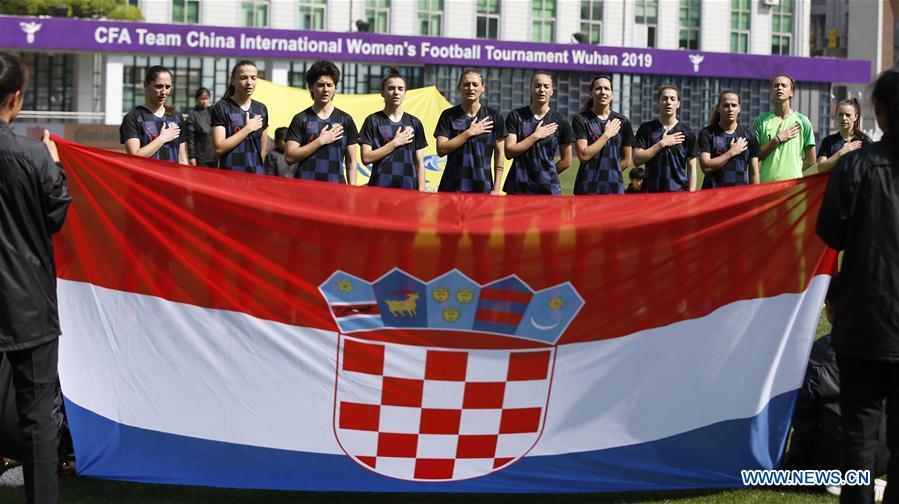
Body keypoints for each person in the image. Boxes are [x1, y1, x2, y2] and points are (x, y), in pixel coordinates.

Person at [817, 68, 899, 504]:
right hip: (868, 323)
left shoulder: (856, 167)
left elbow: (830, 233)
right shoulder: (858, 165)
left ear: (879, 113)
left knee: (858, 442)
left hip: (863, 322)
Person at [0, 51, 72, 504]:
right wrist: (55, 163)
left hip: (25, 305)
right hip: (28, 305)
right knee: (38, 418)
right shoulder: (33, 156)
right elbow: (57, 214)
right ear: (17, 98)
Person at [284, 60, 358, 184]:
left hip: (336, 190)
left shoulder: (345, 120)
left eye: (330, 85)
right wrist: (320, 141)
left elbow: (351, 162)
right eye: (320, 85)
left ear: (335, 88)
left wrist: (352, 192)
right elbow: (290, 157)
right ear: (311, 87)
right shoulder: (300, 118)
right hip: (305, 190)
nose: (325, 89)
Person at [434, 67, 506, 194]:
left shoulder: (494, 117)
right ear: (459, 87)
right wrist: (469, 133)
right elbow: (441, 149)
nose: (471, 88)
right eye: (466, 84)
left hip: (483, 187)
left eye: (475, 84)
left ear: (483, 87)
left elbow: (500, 154)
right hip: (452, 186)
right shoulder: (448, 115)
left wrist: (496, 188)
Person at [503, 71, 575, 195]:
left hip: (547, 189)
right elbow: (509, 152)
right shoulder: (516, 116)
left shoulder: (560, 120)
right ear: (530, 89)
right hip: (518, 187)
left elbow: (567, 161)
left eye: (546, 86)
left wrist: (546, 175)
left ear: (552, 91)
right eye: (537, 86)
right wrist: (535, 136)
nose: (542, 90)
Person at [359, 67, 427, 190]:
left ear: (405, 92)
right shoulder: (372, 121)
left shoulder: (414, 123)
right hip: (380, 189)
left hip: (408, 190)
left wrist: (421, 192)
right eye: (391, 88)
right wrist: (395, 143)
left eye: (400, 89)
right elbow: (366, 158)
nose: (396, 92)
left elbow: (419, 163)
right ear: (382, 93)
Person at [571, 75, 634, 195]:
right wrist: (606, 135)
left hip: (614, 188)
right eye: (598, 88)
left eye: (607, 88)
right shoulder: (581, 119)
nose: (603, 92)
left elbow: (627, 160)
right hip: (587, 187)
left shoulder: (623, 121)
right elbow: (584, 155)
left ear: (612, 94)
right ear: (591, 93)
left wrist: (611, 174)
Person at [633, 86, 698, 192]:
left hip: (679, 194)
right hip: (651, 194)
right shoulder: (646, 129)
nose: (668, 102)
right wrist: (661, 144)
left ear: (678, 104)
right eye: (664, 98)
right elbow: (636, 160)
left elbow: (692, 168)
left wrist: (691, 195)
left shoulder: (688, 133)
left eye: (672, 99)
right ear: (658, 102)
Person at [753, 74, 816, 181]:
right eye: (776, 85)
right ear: (771, 92)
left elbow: (811, 159)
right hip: (766, 186)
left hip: (793, 187)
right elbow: (754, 156)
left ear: (791, 93)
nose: (779, 88)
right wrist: (776, 140)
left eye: (784, 85)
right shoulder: (760, 121)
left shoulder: (803, 121)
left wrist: (794, 171)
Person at [119, 65, 187, 164]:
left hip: (171, 178)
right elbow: (134, 156)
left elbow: (182, 158)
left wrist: (185, 178)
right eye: (159, 86)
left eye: (167, 87)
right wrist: (162, 139)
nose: (164, 92)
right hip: (144, 178)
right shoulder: (133, 118)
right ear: (146, 85)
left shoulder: (177, 118)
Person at [211, 60, 269, 173]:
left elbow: (262, 150)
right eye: (243, 78)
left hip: (255, 176)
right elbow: (218, 148)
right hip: (229, 176)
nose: (249, 82)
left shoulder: (261, 109)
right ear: (233, 80)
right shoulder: (222, 107)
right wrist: (247, 129)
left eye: (253, 77)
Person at [698, 90, 760, 189]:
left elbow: (754, 171)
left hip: (740, 197)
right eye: (726, 105)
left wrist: (755, 197)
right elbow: (706, 167)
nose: (730, 109)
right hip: (713, 197)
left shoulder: (748, 135)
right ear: (718, 108)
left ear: (739, 108)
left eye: (734, 105)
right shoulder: (707, 133)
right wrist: (731, 152)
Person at [817, 98, 874, 172]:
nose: (844, 118)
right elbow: (820, 168)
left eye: (848, 115)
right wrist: (841, 153)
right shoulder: (828, 141)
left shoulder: (865, 141)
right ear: (836, 116)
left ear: (855, 117)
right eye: (840, 115)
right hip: (835, 183)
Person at [185, 87, 215, 167]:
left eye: (206, 98)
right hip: (199, 157)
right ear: (197, 99)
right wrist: (191, 156)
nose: (204, 101)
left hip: (213, 156)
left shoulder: (211, 112)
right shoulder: (192, 115)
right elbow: (190, 138)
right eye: (202, 98)